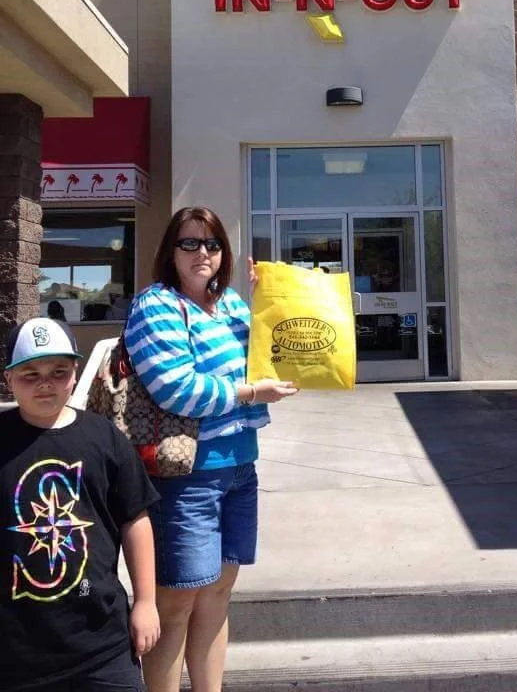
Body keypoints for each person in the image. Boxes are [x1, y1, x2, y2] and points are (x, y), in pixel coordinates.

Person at [124, 206, 297, 692]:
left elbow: (268, 355)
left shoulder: (233, 305)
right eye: (190, 243)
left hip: (242, 467)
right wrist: (248, 393)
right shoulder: (156, 305)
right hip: (187, 474)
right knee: (175, 603)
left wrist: (274, 301)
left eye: (213, 244)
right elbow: (174, 388)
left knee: (219, 593)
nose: (203, 253)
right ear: (170, 252)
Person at [0, 316, 160, 692]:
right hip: (14, 650)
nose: (45, 383)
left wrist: (146, 602)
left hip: (102, 642)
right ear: (8, 379)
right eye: (30, 374)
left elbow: (135, 520)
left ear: (75, 372)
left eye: (58, 371)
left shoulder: (105, 438)